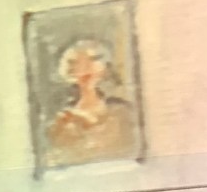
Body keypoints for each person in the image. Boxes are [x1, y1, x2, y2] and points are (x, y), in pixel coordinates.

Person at [44, 36, 139, 168]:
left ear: (104, 68)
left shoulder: (123, 111)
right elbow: (56, 159)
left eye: (93, 60)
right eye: (75, 63)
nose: (84, 69)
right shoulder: (62, 120)